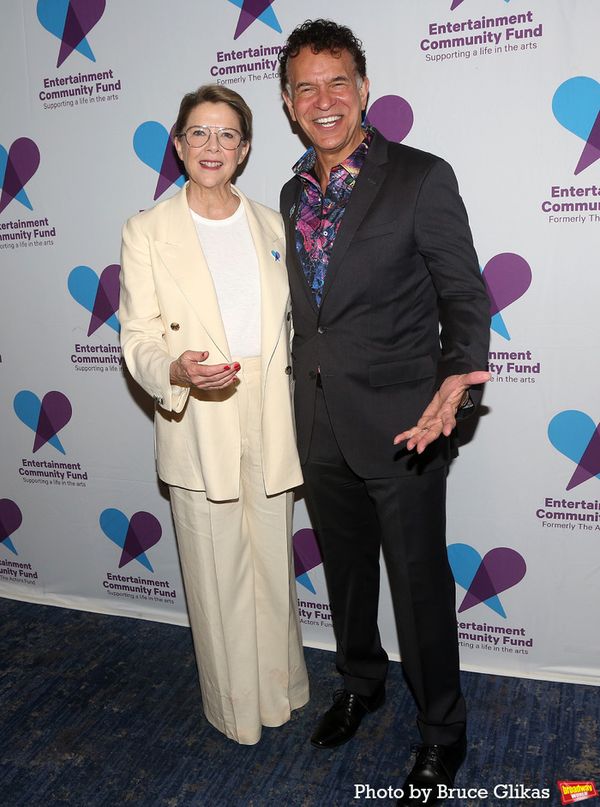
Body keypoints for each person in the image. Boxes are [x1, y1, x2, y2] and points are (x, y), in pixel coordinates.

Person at [278, 19, 490, 805]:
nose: (324, 99)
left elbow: (464, 292)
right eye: (307, 86)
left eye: (339, 82)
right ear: (290, 102)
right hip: (320, 417)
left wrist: (460, 378)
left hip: (408, 421)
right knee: (345, 576)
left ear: (364, 89)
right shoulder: (290, 191)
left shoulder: (421, 177)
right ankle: (361, 681)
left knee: (419, 582)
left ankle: (443, 728)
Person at [119, 84, 309, 745]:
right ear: (178, 145)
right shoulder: (147, 230)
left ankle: (281, 691)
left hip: (269, 405)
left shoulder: (271, 222)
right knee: (216, 566)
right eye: (198, 133)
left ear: (246, 149)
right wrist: (173, 369)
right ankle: (236, 711)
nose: (212, 146)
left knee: (268, 563)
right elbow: (137, 334)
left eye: (227, 135)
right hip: (198, 408)